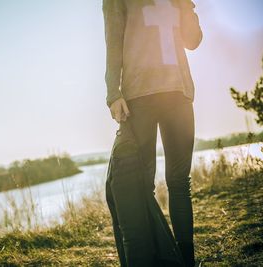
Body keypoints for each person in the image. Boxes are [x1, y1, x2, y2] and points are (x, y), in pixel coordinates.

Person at [102, 0, 203, 266]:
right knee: (141, 185)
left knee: (179, 182)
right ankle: (153, 259)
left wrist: (186, 6)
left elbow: (193, 41)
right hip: (139, 96)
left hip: (178, 94)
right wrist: (113, 93)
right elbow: (113, 40)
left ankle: (185, 261)